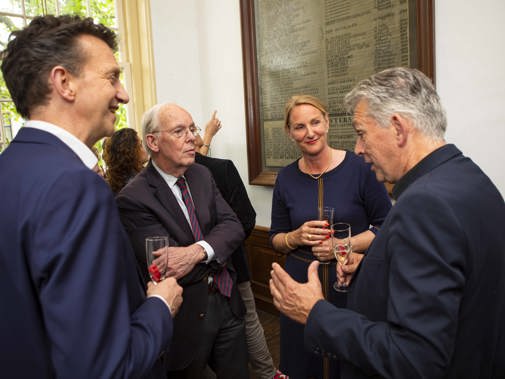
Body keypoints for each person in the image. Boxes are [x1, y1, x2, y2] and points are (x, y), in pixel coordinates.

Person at [269, 67, 505, 378]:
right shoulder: (470, 177)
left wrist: (316, 314)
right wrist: (369, 267)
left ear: (398, 128)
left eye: (362, 133)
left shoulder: (425, 204)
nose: (359, 149)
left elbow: (414, 358)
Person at [0, 15, 182, 378]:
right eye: (112, 77)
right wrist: (160, 305)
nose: (124, 94)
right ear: (64, 82)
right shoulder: (75, 187)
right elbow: (102, 367)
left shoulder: (10, 168)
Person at [116, 102, 249, 378]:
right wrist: (211, 247)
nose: (192, 137)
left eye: (192, 129)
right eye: (179, 131)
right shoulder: (133, 197)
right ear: (153, 142)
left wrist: (196, 252)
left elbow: (233, 226)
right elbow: (167, 264)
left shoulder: (201, 175)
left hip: (227, 301)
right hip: (186, 315)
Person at [269, 94, 391, 378]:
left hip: (350, 283)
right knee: (303, 362)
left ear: (327, 123)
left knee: (347, 362)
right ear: (289, 132)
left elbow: (387, 226)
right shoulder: (285, 178)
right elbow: (275, 237)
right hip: (299, 286)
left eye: (315, 122)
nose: (310, 132)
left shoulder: (360, 169)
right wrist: (296, 236)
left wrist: (343, 245)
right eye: (299, 126)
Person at [195, 151, 278, 379]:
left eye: (191, 130)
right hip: (193, 280)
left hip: (232, 266)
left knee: (248, 319)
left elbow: (245, 219)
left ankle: (267, 373)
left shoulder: (220, 168)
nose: (190, 137)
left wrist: (217, 251)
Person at [102, 127, 149, 193]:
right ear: (131, 153)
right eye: (140, 145)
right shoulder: (135, 185)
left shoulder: (118, 181)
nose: (144, 147)